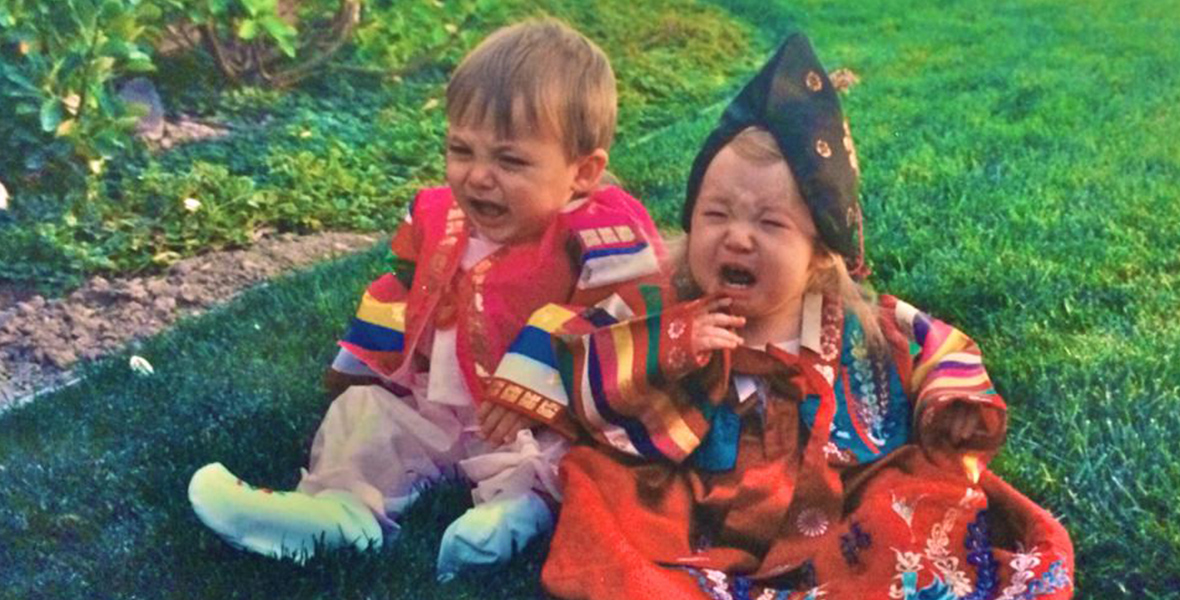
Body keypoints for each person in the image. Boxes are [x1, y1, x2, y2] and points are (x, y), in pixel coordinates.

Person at [486, 34, 1074, 600]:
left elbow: (934, 349)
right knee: (606, 490)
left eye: (770, 225)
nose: (737, 238)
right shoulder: (663, 307)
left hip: (834, 502)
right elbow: (580, 344)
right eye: (716, 215)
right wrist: (671, 345)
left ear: (820, 251)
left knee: (903, 517)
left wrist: (951, 400)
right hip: (696, 503)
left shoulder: (855, 325)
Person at [186, 18, 666, 580]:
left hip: (534, 425)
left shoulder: (603, 236)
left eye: (510, 161)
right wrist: (367, 366)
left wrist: (533, 386)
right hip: (436, 406)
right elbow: (402, 289)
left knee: (565, 463)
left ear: (582, 173)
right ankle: (338, 509)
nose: (479, 176)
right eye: (461, 149)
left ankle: (514, 518)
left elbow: (627, 318)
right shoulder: (440, 215)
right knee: (362, 417)